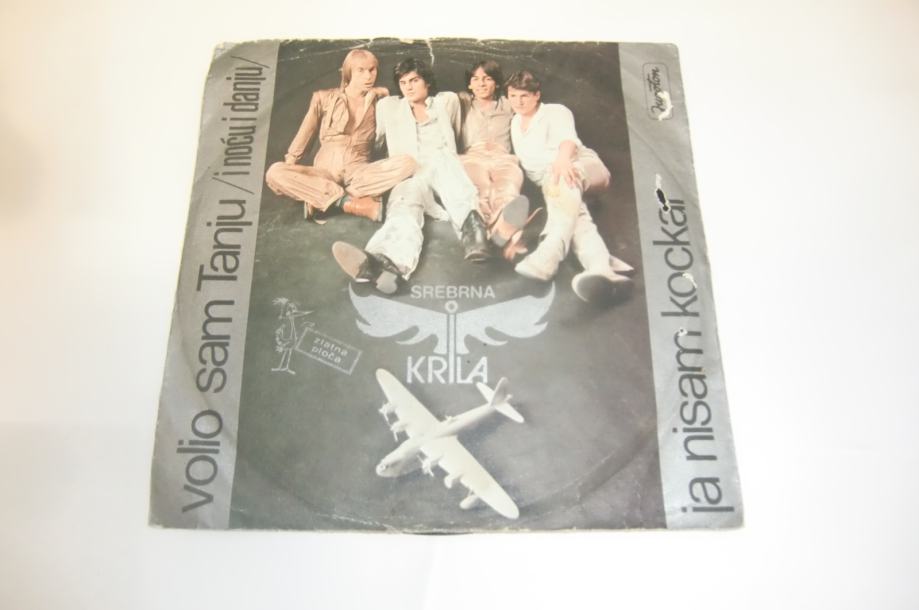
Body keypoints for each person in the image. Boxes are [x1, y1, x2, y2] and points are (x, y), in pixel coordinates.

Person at [332, 58, 489, 294]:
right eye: (403, 82)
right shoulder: (388, 106)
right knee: (403, 208)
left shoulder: (446, 101)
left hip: (443, 170)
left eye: (414, 80)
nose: (408, 87)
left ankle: (473, 231)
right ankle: (386, 264)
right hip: (410, 174)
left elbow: (455, 135)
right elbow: (377, 142)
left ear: (427, 82)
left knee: (445, 160)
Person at [506, 70, 635, 303]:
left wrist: (563, 160)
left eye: (524, 96)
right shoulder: (515, 122)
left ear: (536, 95)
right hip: (552, 181)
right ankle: (602, 268)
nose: (518, 101)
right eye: (513, 96)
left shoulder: (556, 111)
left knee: (566, 180)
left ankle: (549, 255)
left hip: (582, 166)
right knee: (575, 215)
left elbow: (568, 141)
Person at [265, 49, 416, 222]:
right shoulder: (323, 98)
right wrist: (291, 170)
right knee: (274, 172)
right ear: (349, 72)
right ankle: (349, 203)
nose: (368, 76)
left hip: (359, 172)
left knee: (408, 163)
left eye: (372, 70)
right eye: (361, 70)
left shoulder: (380, 101)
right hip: (324, 172)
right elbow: (305, 134)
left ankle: (323, 199)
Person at [457, 60, 535, 260]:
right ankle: (493, 235)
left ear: (497, 83)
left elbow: (530, 103)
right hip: (473, 156)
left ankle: (504, 230)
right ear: (469, 84)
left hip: (503, 157)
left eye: (487, 79)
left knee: (508, 188)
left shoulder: (507, 104)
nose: (481, 84)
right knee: (481, 189)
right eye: (475, 79)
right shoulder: (462, 102)